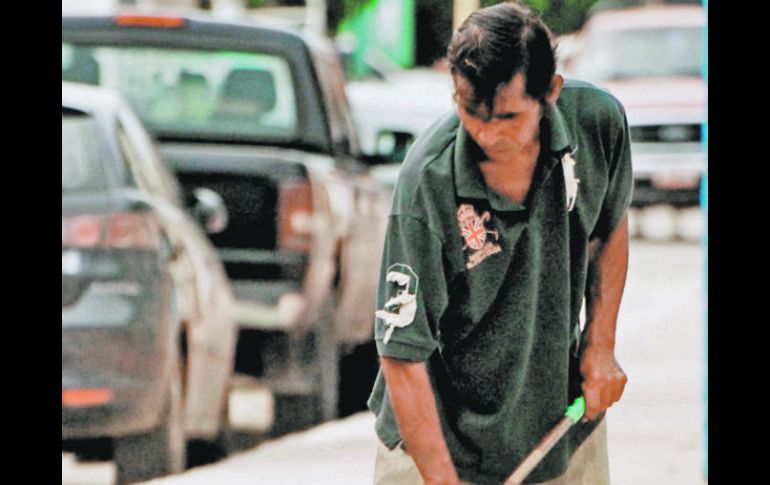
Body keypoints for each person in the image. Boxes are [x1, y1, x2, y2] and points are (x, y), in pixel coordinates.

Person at [366, 2, 633, 484]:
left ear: (550, 91)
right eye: (471, 113)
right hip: (437, 438)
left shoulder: (597, 124)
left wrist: (601, 343)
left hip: (558, 427)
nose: (487, 134)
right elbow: (403, 355)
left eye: (508, 118)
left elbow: (608, 228)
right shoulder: (427, 183)